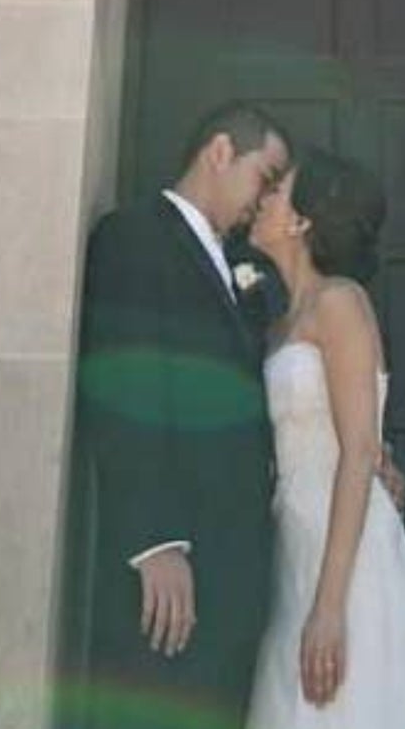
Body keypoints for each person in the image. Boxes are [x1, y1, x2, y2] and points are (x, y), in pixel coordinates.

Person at [74, 102, 290, 729]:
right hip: (175, 570)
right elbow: (125, 384)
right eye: (265, 177)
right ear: (220, 152)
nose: (267, 198)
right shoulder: (134, 237)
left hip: (235, 567)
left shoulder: (247, 271)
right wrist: (156, 543)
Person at [244, 146, 405, 728]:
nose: (261, 199)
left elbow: (357, 451)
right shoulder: (274, 323)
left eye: (276, 190)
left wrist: (329, 606)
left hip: (346, 545)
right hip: (289, 538)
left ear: (302, 219)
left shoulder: (340, 302)